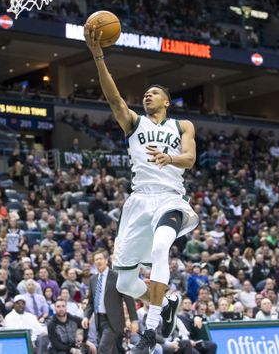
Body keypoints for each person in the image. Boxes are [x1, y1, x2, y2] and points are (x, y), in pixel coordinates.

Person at [84, 23, 199, 354]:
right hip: (138, 203)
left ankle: (150, 331)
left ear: (166, 101)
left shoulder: (182, 125)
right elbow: (113, 97)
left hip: (169, 200)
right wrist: (98, 57)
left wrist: (169, 157)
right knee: (124, 282)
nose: (148, 95)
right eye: (146, 93)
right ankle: (167, 301)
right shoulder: (134, 123)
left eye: (154, 92)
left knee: (162, 247)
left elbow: (190, 159)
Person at [82, 250, 138, 354]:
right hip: (99, 320)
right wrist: (86, 316)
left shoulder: (116, 276)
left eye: (100, 258)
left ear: (106, 260)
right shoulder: (93, 279)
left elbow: (128, 298)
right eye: (96, 259)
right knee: (112, 350)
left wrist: (134, 320)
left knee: (103, 349)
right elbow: (90, 302)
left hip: (113, 321)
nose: (98, 261)